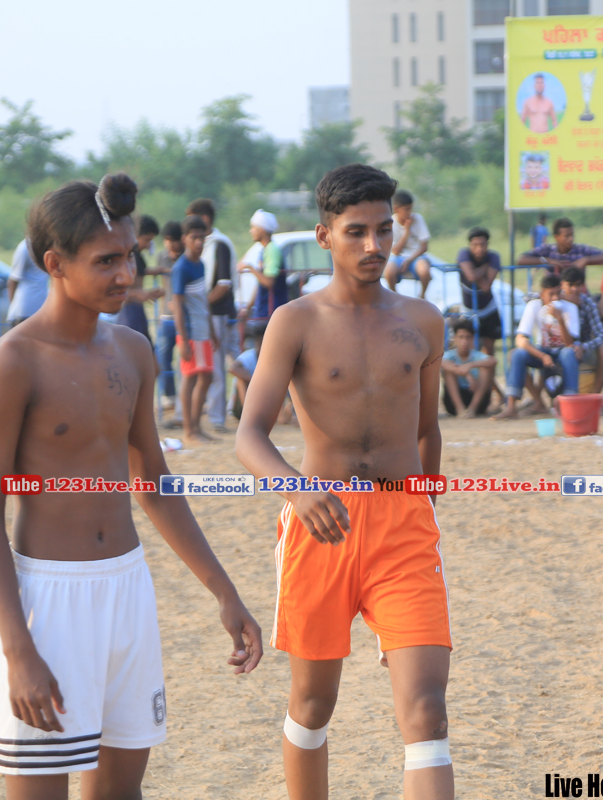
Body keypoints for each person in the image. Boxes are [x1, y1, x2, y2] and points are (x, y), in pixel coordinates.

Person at [0, 173, 262, 797]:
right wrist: (18, 649)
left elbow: (153, 485)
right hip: (47, 601)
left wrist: (224, 591)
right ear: (55, 263)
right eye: (106, 261)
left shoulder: (132, 351)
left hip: (128, 589)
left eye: (130, 256)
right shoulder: (11, 364)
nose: (126, 273)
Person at [235, 164, 454, 800]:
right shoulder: (295, 321)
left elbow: (427, 430)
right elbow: (249, 436)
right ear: (324, 235)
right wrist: (296, 489)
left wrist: (424, 500)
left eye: (383, 230)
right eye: (356, 231)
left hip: (403, 529)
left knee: (427, 712)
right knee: (312, 705)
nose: (373, 245)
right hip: (319, 525)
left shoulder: (423, 320)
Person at [187, 199, 239, 435]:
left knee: (217, 367)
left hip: (218, 313)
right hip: (207, 314)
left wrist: (200, 306)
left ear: (204, 219)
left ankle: (218, 418)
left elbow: (223, 285)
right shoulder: (204, 246)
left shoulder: (219, 245)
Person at [494, 273, 576, 420]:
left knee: (569, 353)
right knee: (517, 354)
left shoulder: (570, 308)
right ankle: (511, 406)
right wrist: (542, 356)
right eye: (551, 294)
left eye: (558, 293)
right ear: (542, 295)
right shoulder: (534, 306)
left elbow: (570, 343)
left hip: (562, 352)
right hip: (542, 351)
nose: (555, 298)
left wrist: (560, 319)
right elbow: (521, 339)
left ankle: (571, 403)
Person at [171, 216, 220, 444]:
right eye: (194, 238)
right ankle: (189, 430)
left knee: (206, 377)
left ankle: (196, 427)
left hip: (203, 331)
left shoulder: (200, 265)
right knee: (191, 378)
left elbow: (203, 302)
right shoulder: (181, 267)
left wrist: (212, 331)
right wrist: (183, 339)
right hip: (190, 332)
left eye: (202, 238)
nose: (199, 242)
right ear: (185, 239)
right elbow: (177, 305)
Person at [559, 266, 603, 396]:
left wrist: (584, 347)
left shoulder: (587, 303)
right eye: (570, 285)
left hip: (582, 350)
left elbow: (602, 335)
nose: (574, 289)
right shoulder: (553, 299)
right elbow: (528, 297)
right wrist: (562, 299)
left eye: (578, 285)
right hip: (556, 348)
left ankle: (594, 396)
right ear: (561, 284)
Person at [455, 227, 503, 366]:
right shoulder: (464, 254)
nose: (479, 249)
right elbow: (470, 276)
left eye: (482, 244)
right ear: (470, 245)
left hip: (488, 308)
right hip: (468, 310)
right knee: (468, 349)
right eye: (475, 245)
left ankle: (489, 379)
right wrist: (484, 268)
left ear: (487, 244)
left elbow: (486, 286)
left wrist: (475, 272)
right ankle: (469, 377)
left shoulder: (493, 256)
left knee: (489, 350)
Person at [117, 215, 163, 343]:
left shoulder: (137, 256)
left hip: (138, 311)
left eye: (150, 241)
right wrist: (138, 293)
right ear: (135, 235)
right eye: (146, 240)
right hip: (128, 314)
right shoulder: (126, 259)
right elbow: (118, 292)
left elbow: (140, 274)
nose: (148, 245)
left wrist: (149, 293)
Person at [154, 221, 184, 418]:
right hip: (165, 315)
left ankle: (185, 399)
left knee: (184, 360)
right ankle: (169, 396)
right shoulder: (161, 257)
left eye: (173, 241)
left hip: (183, 316)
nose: (169, 245)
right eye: (166, 240)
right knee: (163, 358)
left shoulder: (188, 258)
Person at [517, 217, 603, 275]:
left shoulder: (581, 250)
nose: (571, 239)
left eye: (572, 235)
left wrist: (586, 260)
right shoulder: (547, 250)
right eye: (567, 236)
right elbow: (521, 260)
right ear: (556, 237)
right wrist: (547, 261)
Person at [240, 209, 288, 323]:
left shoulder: (272, 250)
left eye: (253, 227)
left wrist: (250, 267)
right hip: (264, 310)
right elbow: (261, 282)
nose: (251, 231)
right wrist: (248, 308)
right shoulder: (265, 250)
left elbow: (269, 281)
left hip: (272, 311)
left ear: (261, 229)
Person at [442, 318, 496, 418]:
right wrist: (466, 373)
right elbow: (442, 363)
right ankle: (460, 409)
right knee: (448, 371)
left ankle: (472, 409)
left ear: (472, 339)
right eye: (461, 337)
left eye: (468, 337)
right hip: (454, 401)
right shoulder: (450, 355)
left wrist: (470, 365)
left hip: (477, 398)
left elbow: (493, 361)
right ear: (454, 338)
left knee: (485, 368)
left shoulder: (476, 355)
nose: (464, 341)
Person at [384, 190, 432, 296]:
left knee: (424, 271)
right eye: (406, 209)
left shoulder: (418, 219)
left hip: (416, 256)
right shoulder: (391, 222)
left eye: (410, 209)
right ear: (396, 209)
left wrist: (409, 260)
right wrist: (406, 232)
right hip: (398, 257)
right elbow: (396, 251)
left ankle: (422, 295)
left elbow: (424, 247)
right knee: (389, 271)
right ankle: (395, 295)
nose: (409, 213)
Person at [6, 238, 50, 328]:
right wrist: (13, 306)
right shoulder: (25, 247)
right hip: (24, 309)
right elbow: (13, 280)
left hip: (41, 309)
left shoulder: (46, 245)